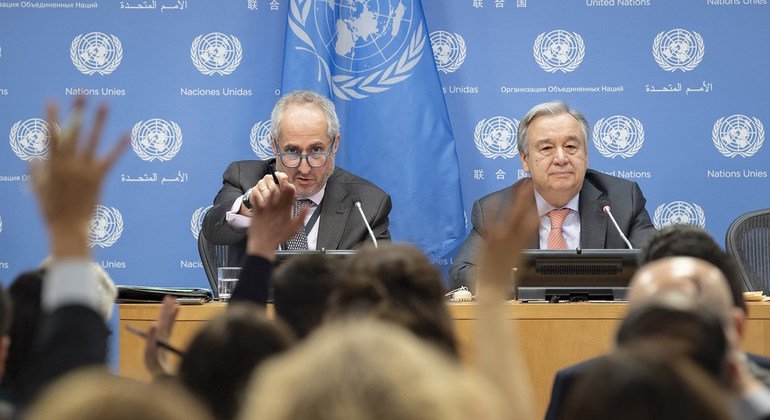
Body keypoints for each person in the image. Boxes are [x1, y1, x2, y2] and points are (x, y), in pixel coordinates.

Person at [449, 101, 655, 289]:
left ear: (586, 155)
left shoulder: (623, 200)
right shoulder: (498, 211)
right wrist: (533, 282)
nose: (561, 158)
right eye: (546, 148)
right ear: (525, 160)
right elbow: (461, 275)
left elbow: (656, 267)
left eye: (571, 146)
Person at [201, 90, 392, 264]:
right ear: (274, 145)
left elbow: (380, 280)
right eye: (292, 151)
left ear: (334, 145)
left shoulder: (368, 205)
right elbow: (213, 231)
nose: (304, 168)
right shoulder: (244, 178)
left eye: (316, 151)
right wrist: (248, 205)